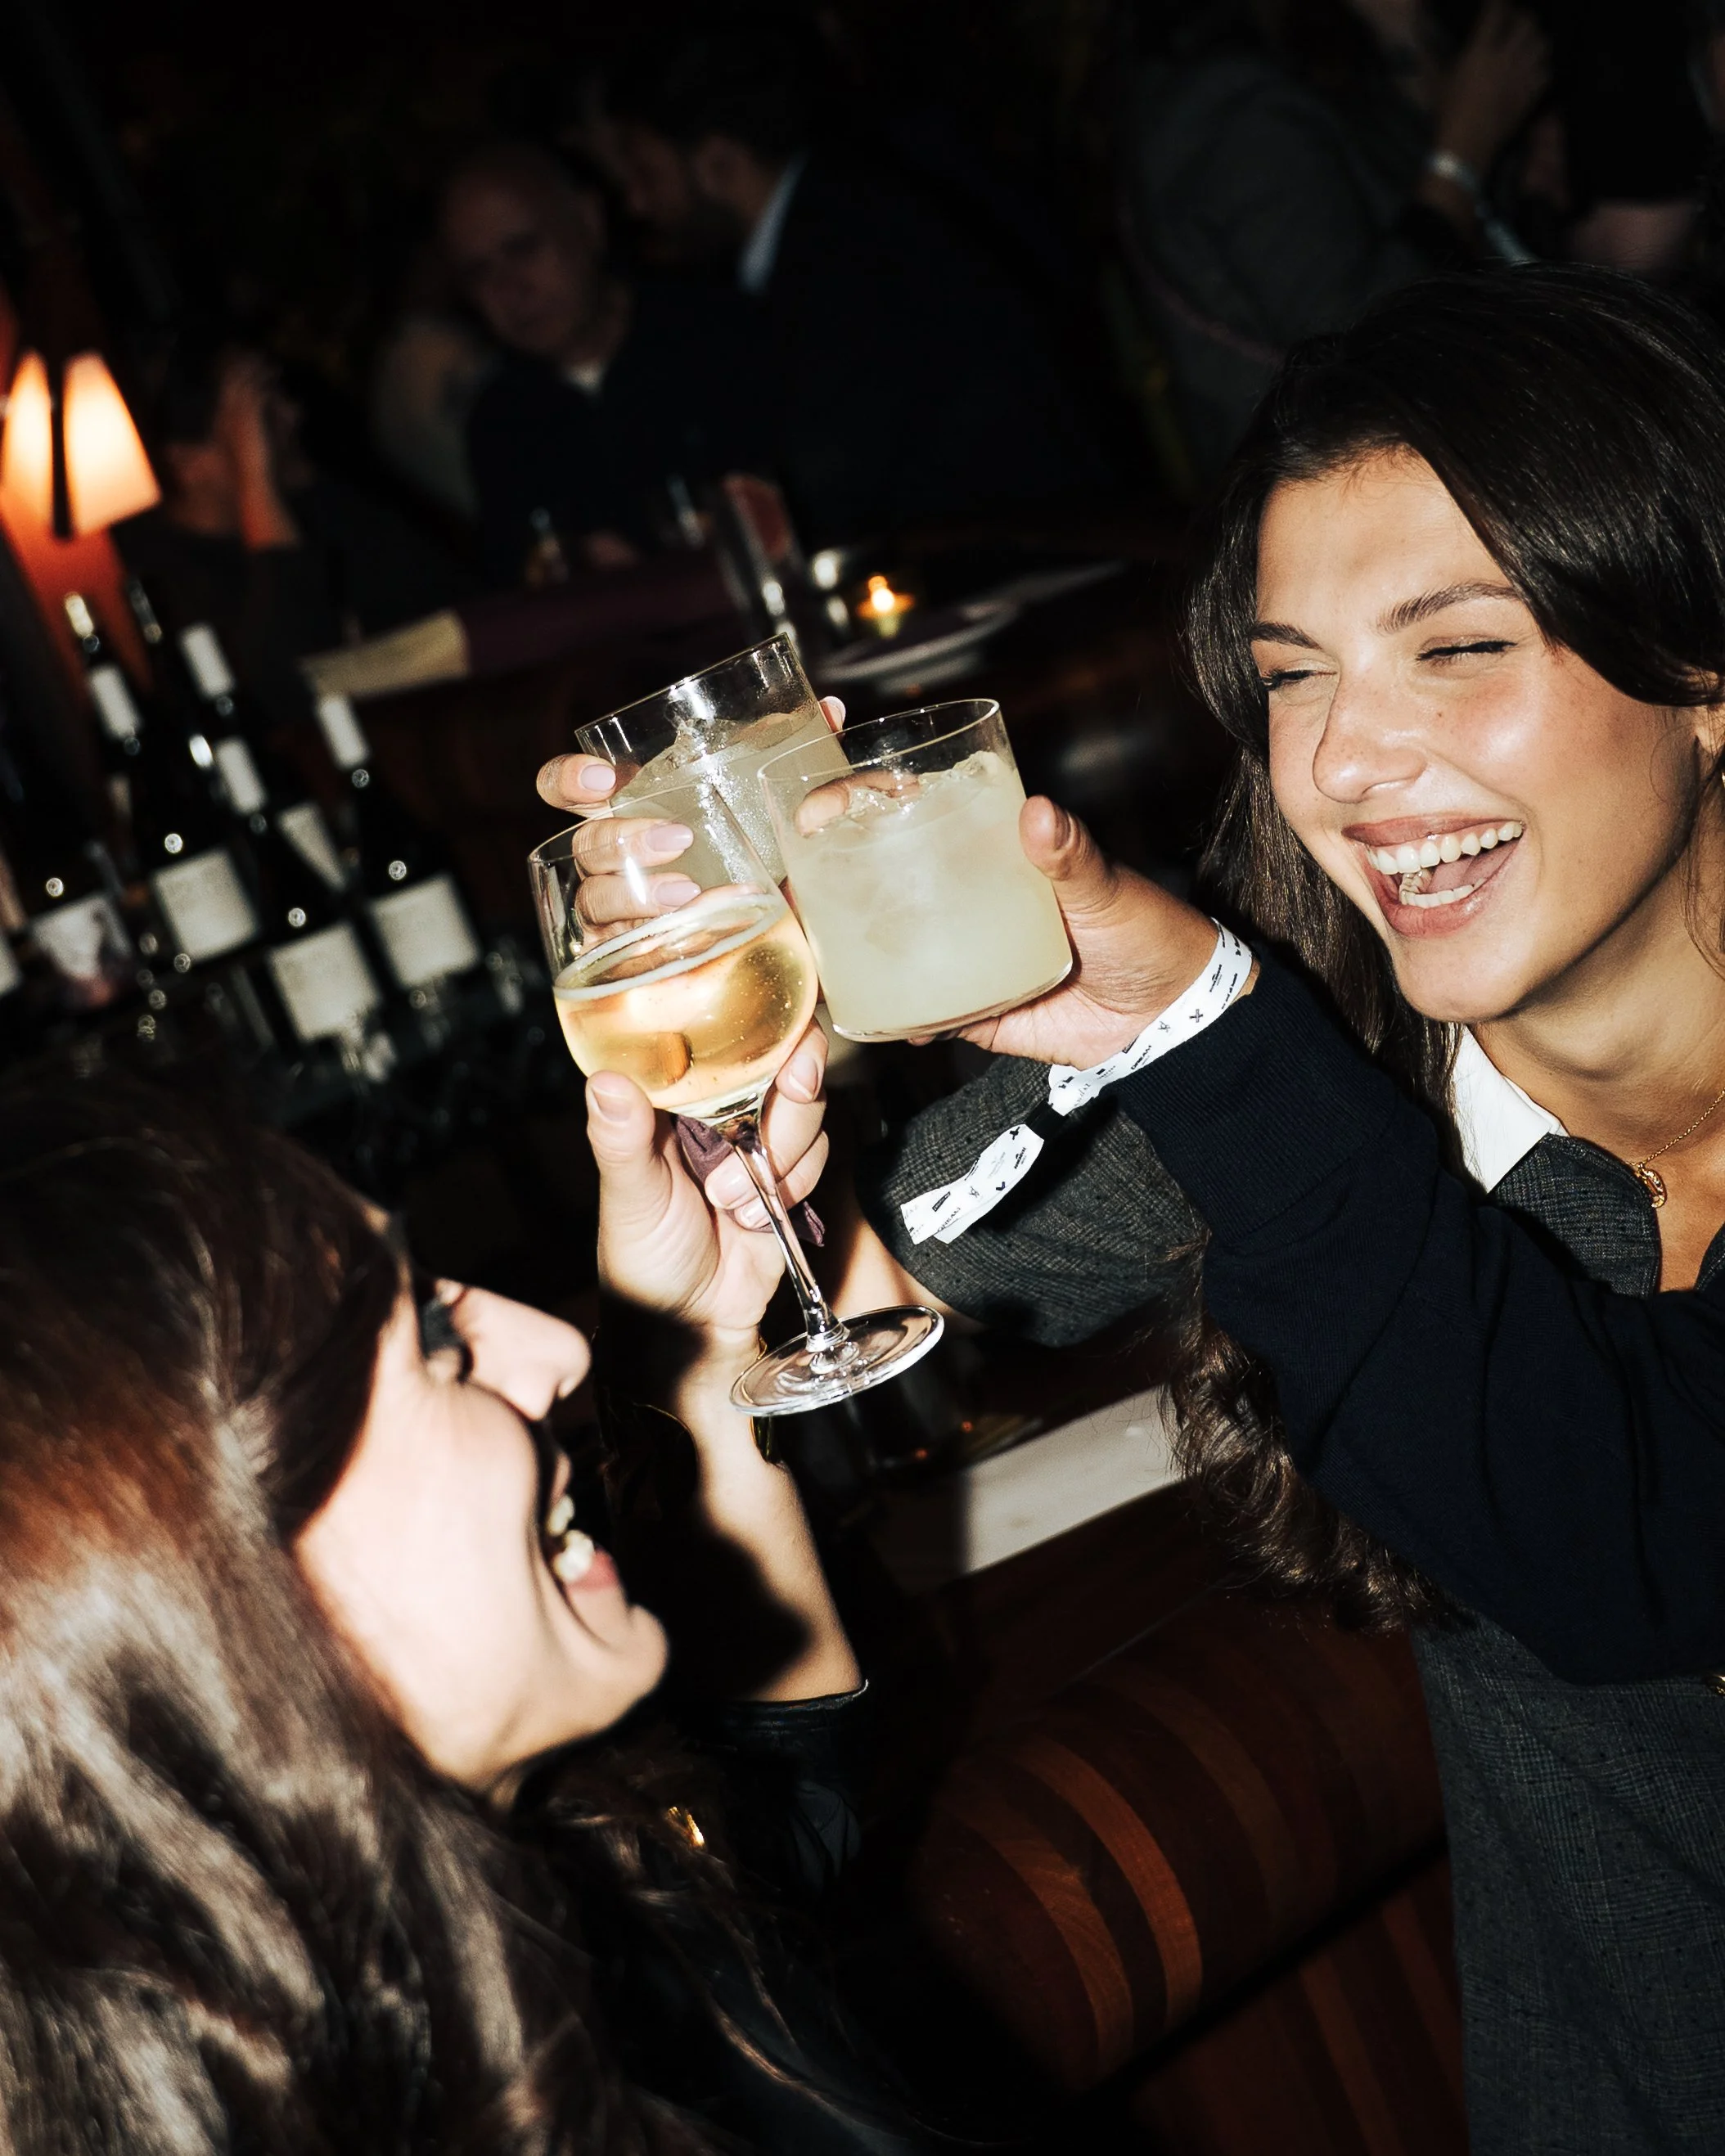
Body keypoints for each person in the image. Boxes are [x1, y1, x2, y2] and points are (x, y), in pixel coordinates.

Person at [541, 267, 1725, 2154]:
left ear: (1699, 665)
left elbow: (1614, 1527)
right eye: (1288, 676)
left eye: (1456, 647)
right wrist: (732, 1230)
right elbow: (906, 1272)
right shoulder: (1333, 1073)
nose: (1342, 764)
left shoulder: (1281, 1077)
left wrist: (1204, 1027)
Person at [0, 1034, 940, 2151]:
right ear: (203, 1572)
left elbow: (782, 1821)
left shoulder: (503, 1911)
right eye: (441, 1343)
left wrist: (692, 1347)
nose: (557, 1353)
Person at [583, 2, 1112, 549]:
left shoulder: (847, 251)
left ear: (719, 163)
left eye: (647, 174)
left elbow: (838, 485)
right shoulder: (836, 220)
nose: (637, 202)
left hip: (1036, 564)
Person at [1119, 0, 1550, 474]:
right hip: (1349, 487)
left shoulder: (1331, 57)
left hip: (1415, 457)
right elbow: (1359, 335)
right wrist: (1464, 150)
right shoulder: (1231, 102)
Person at [441, 141, 775, 586]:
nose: (509, 288)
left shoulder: (717, 333)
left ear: (588, 221)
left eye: (523, 249)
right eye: (479, 273)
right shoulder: (500, 425)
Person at [118, 345, 472, 731]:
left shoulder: (315, 498)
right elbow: (292, 686)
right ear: (187, 464)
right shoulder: (170, 583)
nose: (293, 415)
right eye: (258, 417)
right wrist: (257, 479)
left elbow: (454, 600)